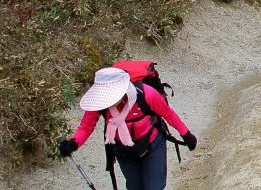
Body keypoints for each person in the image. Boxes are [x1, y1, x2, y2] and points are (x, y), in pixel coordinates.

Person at [58, 66, 196, 190]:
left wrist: (186, 134)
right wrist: (73, 144)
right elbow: (85, 127)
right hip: (124, 150)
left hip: (153, 144)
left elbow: (168, 114)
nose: (107, 100)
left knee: (154, 186)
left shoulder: (146, 94)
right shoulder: (100, 103)